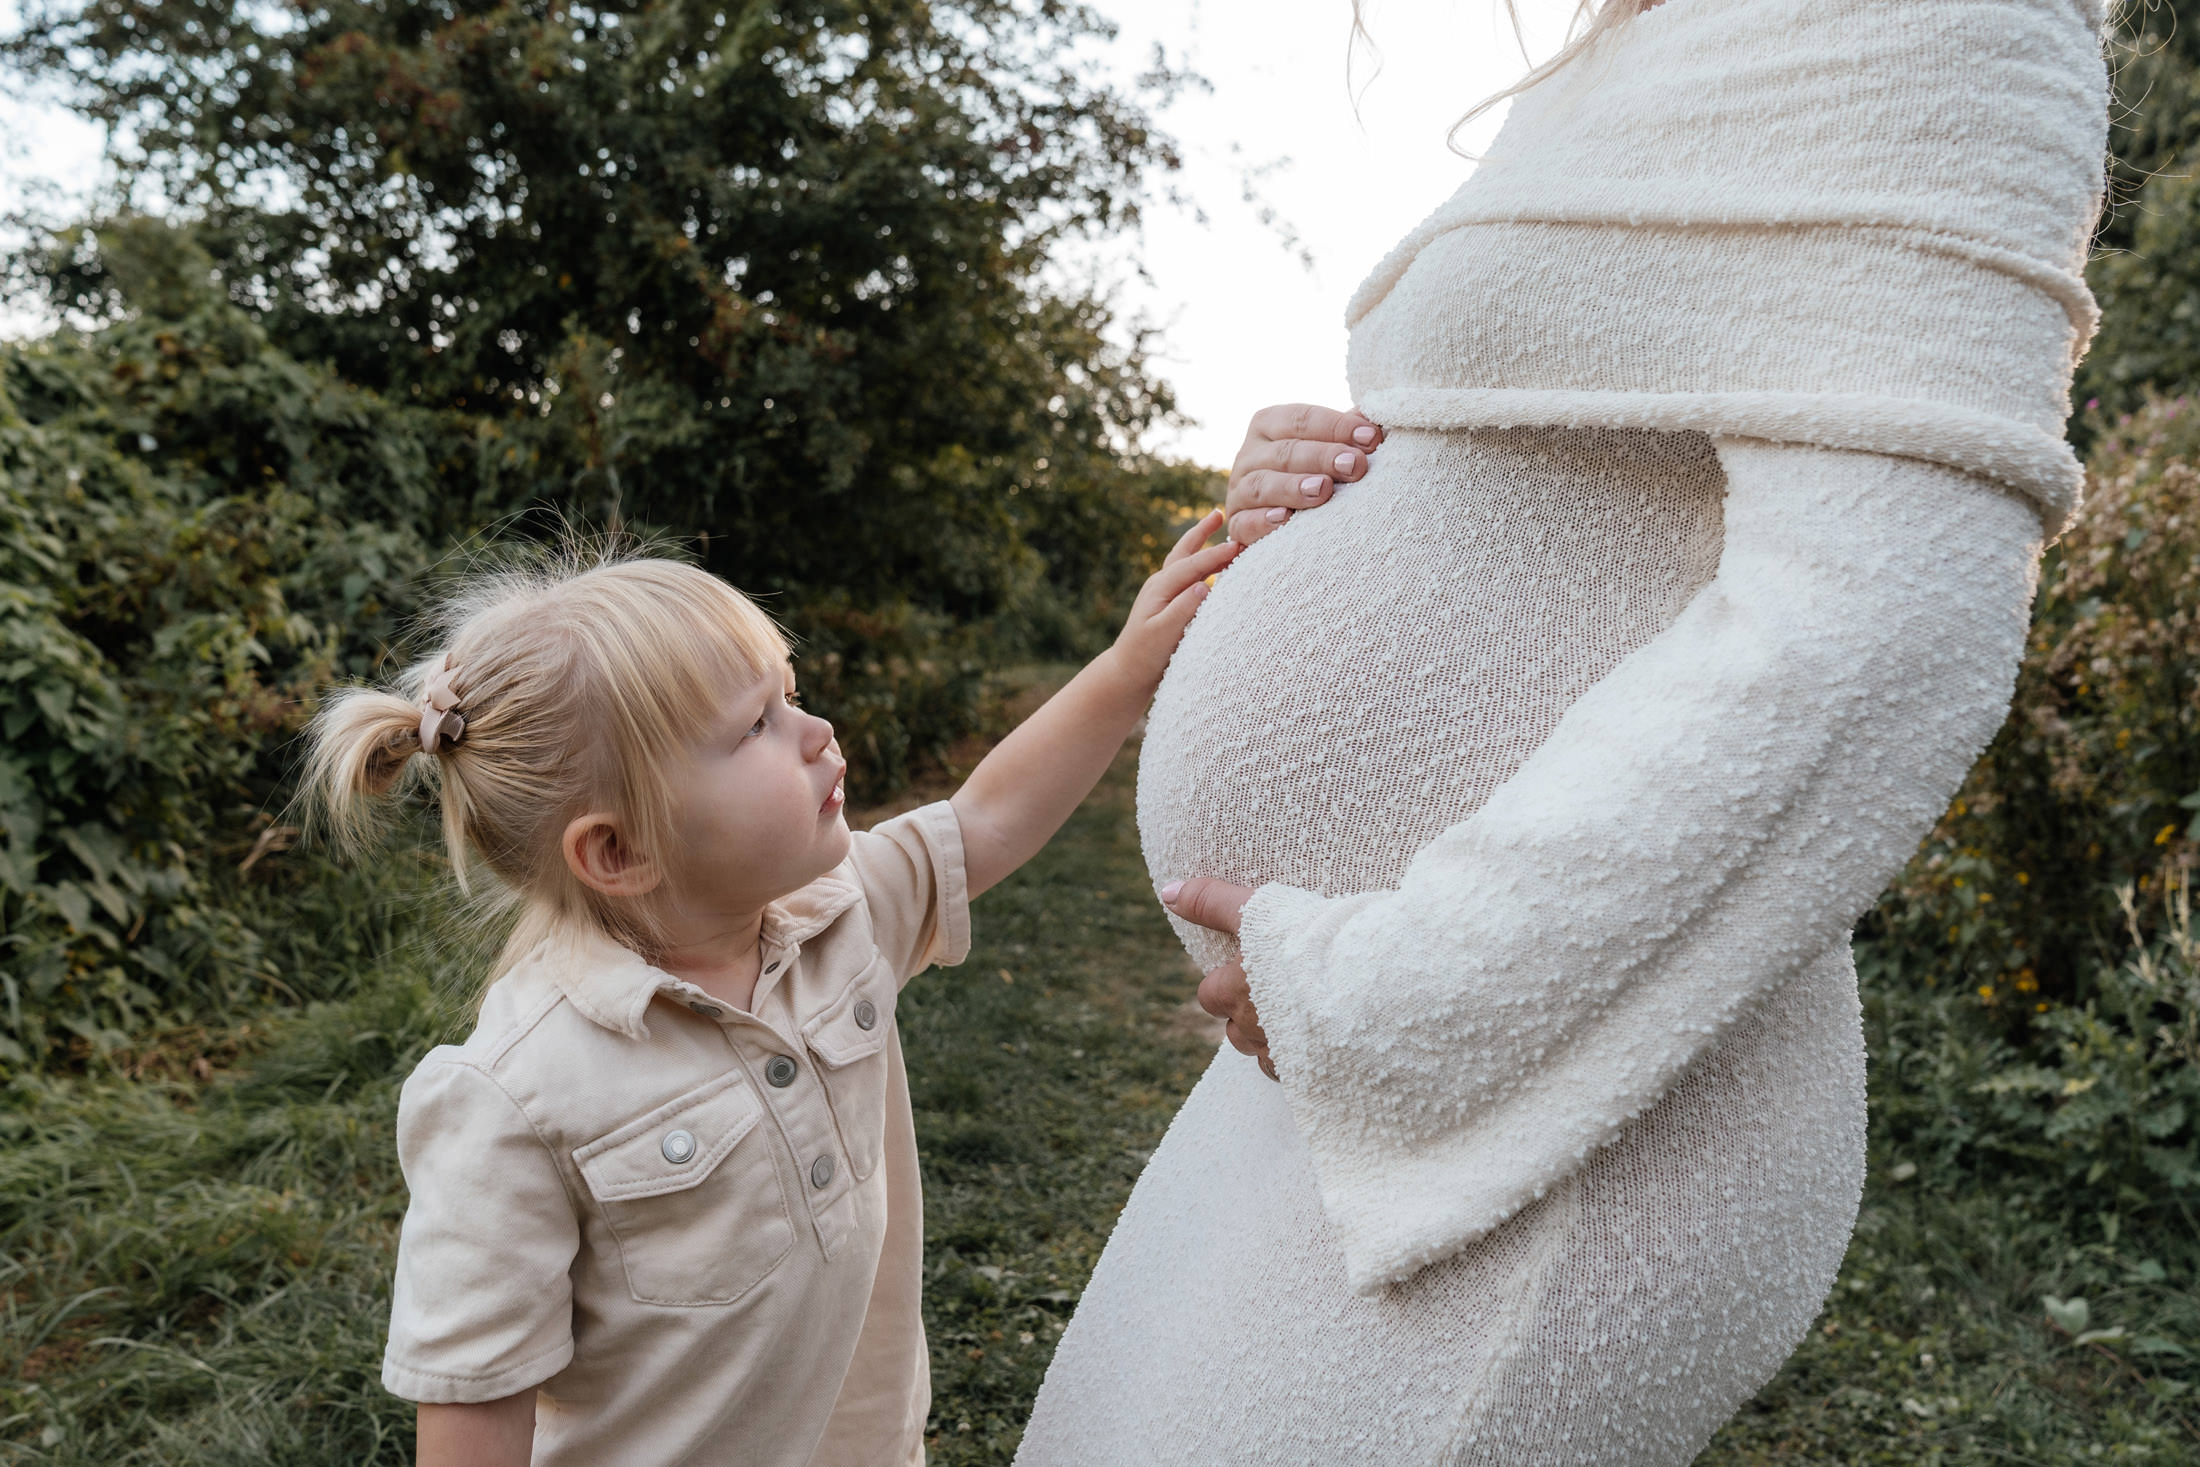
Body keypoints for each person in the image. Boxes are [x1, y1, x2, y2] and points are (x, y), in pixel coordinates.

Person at [1015, 0, 2111, 1462]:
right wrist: (1330, 468)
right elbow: (1577, 470)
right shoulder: (1667, 35)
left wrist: (1394, 1001)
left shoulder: (1945, 14)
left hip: (1554, 1097)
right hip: (1353, 1071)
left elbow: (1879, 628)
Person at [301, 519, 1246, 1467]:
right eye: (756, 725)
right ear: (619, 850)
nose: (816, 731)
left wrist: (1129, 667)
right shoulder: (514, 1098)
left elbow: (986, 818)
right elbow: (476, 1424)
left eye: (788, 696)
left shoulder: (840, 915)